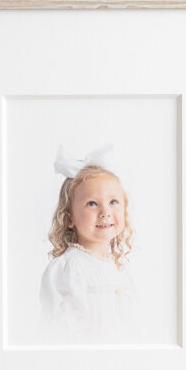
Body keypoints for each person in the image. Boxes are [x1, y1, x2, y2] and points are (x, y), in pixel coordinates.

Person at [39, 145, 135, 343]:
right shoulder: (69, 268)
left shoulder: (117, 268)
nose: (105, 212)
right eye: (92, 203)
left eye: (113, 202)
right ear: (69, 217)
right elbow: (57, 327)